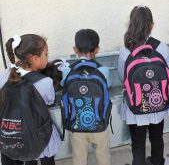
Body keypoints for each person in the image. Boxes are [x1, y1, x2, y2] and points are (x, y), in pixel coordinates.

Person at [118, 5, 169, 165]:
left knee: (137, 139)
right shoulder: (161, 47)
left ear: (130, 24)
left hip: (136, 105)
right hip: (158, 102)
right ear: (152, 25)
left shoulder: (125, 50)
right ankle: (157, 161)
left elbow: (123, 78)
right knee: (157, 136)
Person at [0, 34, 62, 165]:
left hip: (11, 130)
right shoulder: (45, 82)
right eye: (46, 54)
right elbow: (49, 101)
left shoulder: (4, 75)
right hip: (37, 134)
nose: (47, 57)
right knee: (45, 156)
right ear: (35, 58)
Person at [60, 29, 111, 165]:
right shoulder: (103, 70)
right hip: (100, 122)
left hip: (76, 124)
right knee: (103, 155)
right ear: (97, 49)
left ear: (75, 49)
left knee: (79, 158)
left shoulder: (67, 71)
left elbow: (63, 87)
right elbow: (108, 86)